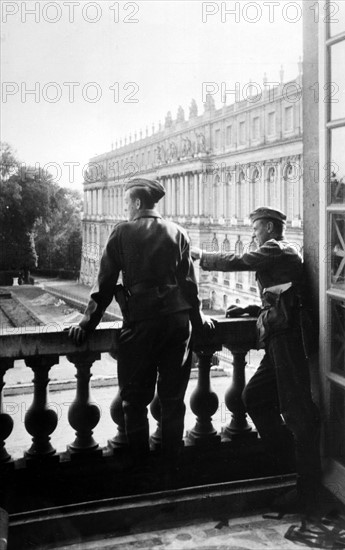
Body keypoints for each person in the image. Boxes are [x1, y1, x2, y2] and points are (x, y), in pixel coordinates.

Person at [69, 177, 214, 472]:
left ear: (136, 203)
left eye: (125, 204)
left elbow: (105, 285)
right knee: (173, 400)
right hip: (177, 325)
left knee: (134, 401)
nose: (124, 210)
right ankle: (171, 469)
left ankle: (141, 471)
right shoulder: (179, 232)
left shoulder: (122, 232)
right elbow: (190, 288)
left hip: (142, 323)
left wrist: (87, 324)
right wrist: (198, 324)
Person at [191, 206, 321, 515]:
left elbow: (239, 261)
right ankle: (291, 465)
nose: (253, 233)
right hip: (278, 335)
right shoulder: (278, 255)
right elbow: (279, 296)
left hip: (288, 337)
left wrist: (201, 256)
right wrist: (250, 309)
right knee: (255, 397)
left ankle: (309, 489)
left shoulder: (277, 248)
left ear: (272, 229)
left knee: (296, 410)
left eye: (257, 228)